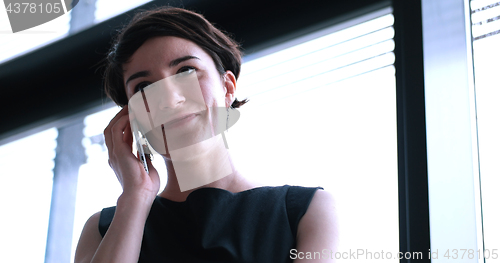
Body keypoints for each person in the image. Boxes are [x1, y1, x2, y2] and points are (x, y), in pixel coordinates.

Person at [74, 6, 338, 263]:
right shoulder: (103, 230)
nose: (170, 98)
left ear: (227, 87)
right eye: (143, 87)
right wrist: (135, 197)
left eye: (186, 71)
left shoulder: (306, 211)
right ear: (131, 117)